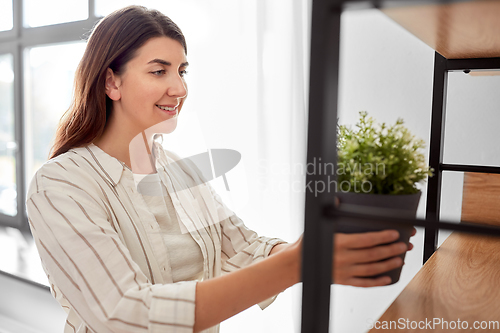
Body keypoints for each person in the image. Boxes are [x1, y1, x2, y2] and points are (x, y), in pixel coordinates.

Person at [25, 5, 414, 333]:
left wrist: (330, 242)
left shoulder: (180, 170)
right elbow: (123, 313)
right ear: (111, 81)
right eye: (159, 71)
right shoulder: (60, 185)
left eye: (182, 71)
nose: (179, 88)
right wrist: (298, 263)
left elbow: (242, 246)